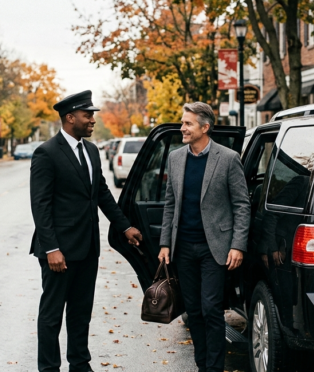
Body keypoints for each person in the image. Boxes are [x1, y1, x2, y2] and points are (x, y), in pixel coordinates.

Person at [30, 90, 143, 372]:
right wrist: (52, 249)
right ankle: (48, 368)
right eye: (87, 115)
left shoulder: (91, 150)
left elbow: (101, 193)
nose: (93, 119)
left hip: (88, 247)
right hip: (59, 251)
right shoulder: (47, 153)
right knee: (52, 315)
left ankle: (80, 364)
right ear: (70, 118)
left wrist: (125, 225)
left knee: (81, 313)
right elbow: (40, 206)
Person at [157, 102, 250, 372]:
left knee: (211, 309)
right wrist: (165, 242)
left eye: (187, 124)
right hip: (183, 247)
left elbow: (242, 205)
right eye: (183, 123)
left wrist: (237, 245)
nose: (182, 128)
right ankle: (202, 366)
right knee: (194, 311)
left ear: (205, 127)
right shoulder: (176, 158)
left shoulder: (228, 158)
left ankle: (214, 367)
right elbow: (170, 204)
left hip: (215, 248)